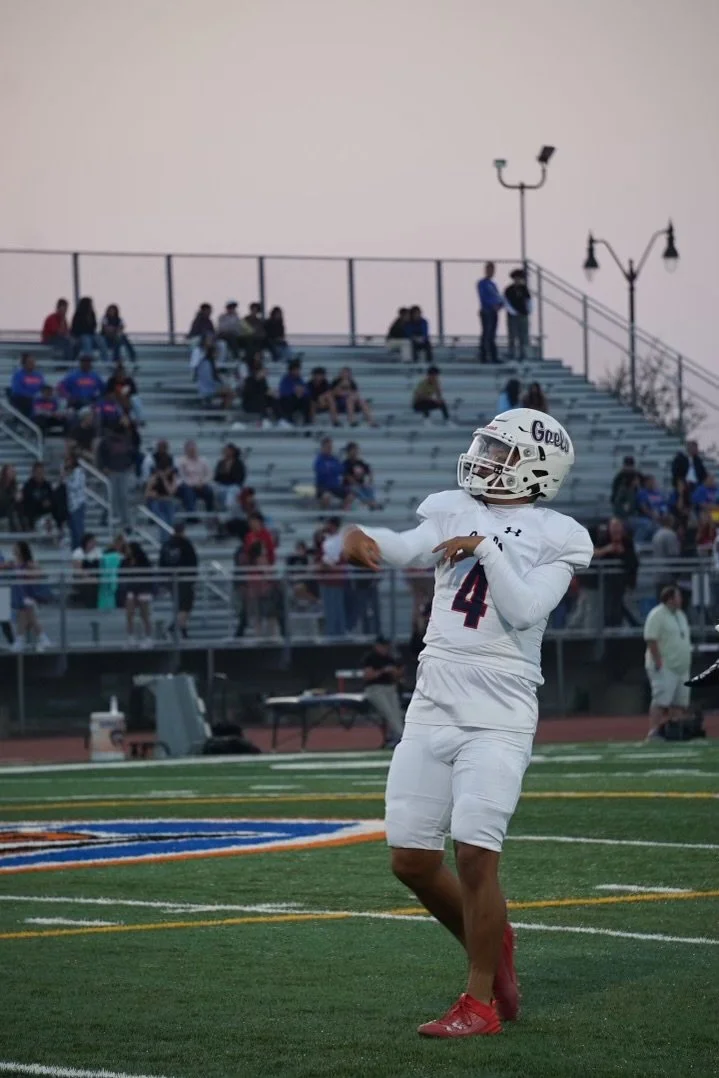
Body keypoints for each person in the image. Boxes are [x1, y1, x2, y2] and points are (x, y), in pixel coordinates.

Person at [342, 406, 591, 1038]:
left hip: (500, 707)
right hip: (433, 698)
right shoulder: (452, 504)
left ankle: (479, 1002)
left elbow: (527, 607)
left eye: (499, 452)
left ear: (536, 467)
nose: (482, 460)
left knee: (477, 855)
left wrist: (484, 549)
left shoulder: (559, 534)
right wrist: (369, 536)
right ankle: (493, 942)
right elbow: (405, 546)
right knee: (411, 860)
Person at [643, 585, 692, 739]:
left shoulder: (680, 615)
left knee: (680, 702)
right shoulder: (657, 614)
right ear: (670, 598)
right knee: (661, 700)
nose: (681, 600)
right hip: (666, 666)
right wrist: (658, 662)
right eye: (678, 596)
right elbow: (651, 638)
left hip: (681, 668)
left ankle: (674, 731)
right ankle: (654, 731)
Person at [5, 540, 52, 651]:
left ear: (21, 549)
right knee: (25, 617)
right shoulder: (14, 563)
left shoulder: (29, 563)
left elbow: (39, 575)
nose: (13, 549)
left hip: (29, 595)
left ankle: (36, 640)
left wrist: (31, 575)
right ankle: (37, 640)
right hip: (21, 595)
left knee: (28, 616)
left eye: (15, 547)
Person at [362, 636, 405, 748]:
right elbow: (368, 676)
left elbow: (398, 675)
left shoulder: (390, 658)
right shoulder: (370, 658)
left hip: (389, 688)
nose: (385, 648)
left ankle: (398, 736)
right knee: (389, 711)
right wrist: (382, 671)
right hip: (375, 689)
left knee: (397, 712)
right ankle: (402, 736)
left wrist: (394, 672)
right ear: (377, 646)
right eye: (383, 646)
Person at [159, 522, 198, 639]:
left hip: (170, 579)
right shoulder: (186, 544)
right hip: (184, 578)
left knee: (180, 606)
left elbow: (161, 563)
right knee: (185, 606)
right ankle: (175, 627)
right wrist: (193, 577)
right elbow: (193, 562)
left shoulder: (166, 544)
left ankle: (181, 628)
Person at [96, 425, 136, 530]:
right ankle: (106, 517)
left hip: (123, 471)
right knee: (111, 496)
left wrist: (131, 465)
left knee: (123, 496)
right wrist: (103, 467)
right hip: (111, 471)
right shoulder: (106, 441)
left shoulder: (126, 441)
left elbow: (132, 454)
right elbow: (100, 455)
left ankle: (125, 520)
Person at [119, 540, 154, 648]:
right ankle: (130, 637)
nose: (127, 550)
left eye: (129, 548)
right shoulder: (125, 561)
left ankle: (148, 638)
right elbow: (121, 573)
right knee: (129, 614)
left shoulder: (143, 560)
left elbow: (148, 574)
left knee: (144, 615)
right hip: (131, 588)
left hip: (143, 589)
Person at [477, 262, 504, 364]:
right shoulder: (482, 283)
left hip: (494, 312)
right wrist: (493, 305)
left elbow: (498, 297)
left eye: (492, 270)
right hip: (486, 311)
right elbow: (483, 297)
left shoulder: (493, 284)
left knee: (492, 334)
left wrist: (500, 304)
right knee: (486, 333)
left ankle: (493, 356)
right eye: (489, 269)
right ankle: (484, 356)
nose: (491, 272)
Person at [177, 440, 214, 514]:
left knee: (209, 491)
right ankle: (192, 516)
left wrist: (203, 482)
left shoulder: (203, 460)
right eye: (190, 450)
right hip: (187, 485)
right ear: (186, 450)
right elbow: (181, 476)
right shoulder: (181, 461)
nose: (192, 451)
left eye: (194, 449)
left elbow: (209, 474)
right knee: (188, 491)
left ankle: (210, 514)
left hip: (201, 485)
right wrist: (193, 484)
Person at [314, 437, 351, 508]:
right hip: (323, 486)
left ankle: (340, 515)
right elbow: (322, 472)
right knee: (326, 496)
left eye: (331, 447)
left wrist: (331, 469)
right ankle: (322, 516)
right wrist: (333, 469)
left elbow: (341, 470)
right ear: (322, 447)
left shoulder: (334, 459)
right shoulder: (319, 459)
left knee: (350, 496)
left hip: (335, 486)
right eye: (328, 447)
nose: (330, 449)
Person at [70, 297, 109, 364]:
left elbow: (94, 326)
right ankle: (89, 361)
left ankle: (106, 361)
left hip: (91, 335)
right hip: (80, 336)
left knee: (100, 339)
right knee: (86, 339)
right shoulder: (78, 314)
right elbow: (75, 328)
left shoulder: (92, 314)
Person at [504, 269, 532, 360]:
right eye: (517, 278)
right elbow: (506, 302)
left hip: (523, 315)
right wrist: (513, 311)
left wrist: (528, 310)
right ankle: (512, 354)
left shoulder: (524, 289)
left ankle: (523, 355)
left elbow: (528, 300)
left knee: (523, 335)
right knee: (512, 335)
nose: (519, 280)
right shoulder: (509, 289)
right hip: (513, 316)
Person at [22, 462, 55, 532]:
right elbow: (28, 500)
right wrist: (41, 503)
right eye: (38, 472)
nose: (40, 474)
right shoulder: (28, 486)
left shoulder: (47, 485)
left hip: (46, 513)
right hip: (34, 514)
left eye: (41, 472)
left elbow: (52, 498)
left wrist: (49, 502)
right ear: (33, 473)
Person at [63, 449, 87, 550]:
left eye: (68, 460)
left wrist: (66, 479)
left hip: (78, 504)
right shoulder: (70, 472)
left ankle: (81, 550)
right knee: (73, 531)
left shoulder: (78, 471)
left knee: (78, 531)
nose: (66, 462)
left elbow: (75, 486)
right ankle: (75, 552)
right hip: (71, 505)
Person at [9, 354, 45, 418]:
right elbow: (17, 390)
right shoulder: (18, 375)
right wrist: (32, 396)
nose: (33, 364)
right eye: (30, 362)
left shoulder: (38, 375)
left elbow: (43, 387)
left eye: (33, 362)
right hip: (23, 400)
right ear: (24, 364)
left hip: (36, 399)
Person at [343, 442, 378, 508]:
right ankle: (368, 502)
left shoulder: (360, 462)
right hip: (349, 486)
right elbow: (348, 477)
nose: (355, 452)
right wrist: (359, 484)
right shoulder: (346, 463)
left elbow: (369, 472)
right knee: (356, 488)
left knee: (370, 487)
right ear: (349, 452)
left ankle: (373, 501)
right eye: (353, 450)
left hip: (360, 485)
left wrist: (369, 481)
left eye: (356, 450)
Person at [145, 465, 178, 532]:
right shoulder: (154, 478)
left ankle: (168, 538)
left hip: (168, 503)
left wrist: (164, 479)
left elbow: (171, 492)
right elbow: (146, 494)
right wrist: (152, 491)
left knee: (170, 523)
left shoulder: (172, 478)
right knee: (162, 522)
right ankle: (164, 540)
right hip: (157, 503)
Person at [278, 359, 311, 427]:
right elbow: (283, 392)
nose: (298, 372)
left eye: (298, 370)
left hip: (298, 401)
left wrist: (301, 392)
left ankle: (307, 422)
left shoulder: (300, 379)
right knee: (288, 400)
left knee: (307, 400)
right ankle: (289, 421)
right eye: (296, 370)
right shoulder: (285, 380)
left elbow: (307, 391)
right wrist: (294, 391)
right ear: (291, 371)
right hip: (288, 402)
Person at [213, 444, 246, 512]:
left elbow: (239, 478)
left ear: (232, 451)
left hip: (234, 486)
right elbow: (216, 477)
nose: (225, 452)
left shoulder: (239, 463)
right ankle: (217, 512)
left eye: (227, 450)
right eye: (225, 451)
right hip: (222, 485)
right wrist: (225, 474)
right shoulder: (221, 463)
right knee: (215, 491)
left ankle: (229, 511)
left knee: (231, 493)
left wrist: (226, 475)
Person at [0, 465, 23, 531]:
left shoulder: (15, 486)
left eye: (13, 471)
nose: (13, 472)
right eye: (11, 471)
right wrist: (13, 497)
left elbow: (18, 499)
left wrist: (19, 497)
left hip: (10, 514)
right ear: (4, 473)